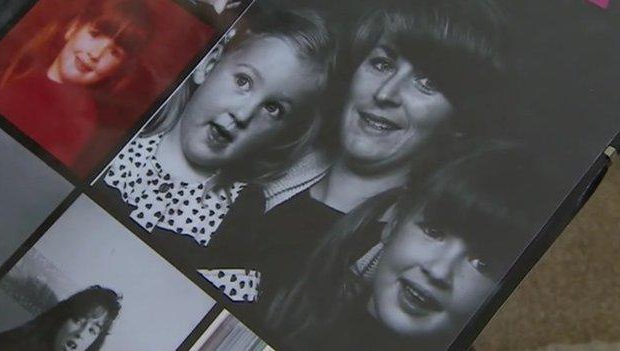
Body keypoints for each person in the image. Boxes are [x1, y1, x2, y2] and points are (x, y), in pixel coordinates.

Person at [244, 0, 509, 308]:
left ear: (459, 120)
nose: (385, 94)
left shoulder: (401, 264)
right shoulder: (259, 161)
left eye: (427, 83)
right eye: (382, 64)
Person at [98, 7, 336, 301]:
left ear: (280, 134)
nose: (243, 113)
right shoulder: (116, 136)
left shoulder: (240, 220)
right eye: (243, 81)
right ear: (209, 66)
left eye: (273, 108)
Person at [266, 145, 559, 350]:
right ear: (393, 223)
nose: (438, 271)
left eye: (482, 263)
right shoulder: (286, 315)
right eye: (433, 231)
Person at [0, 0, 153, 168]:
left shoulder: (78, 122)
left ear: (117, 70)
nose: (95, 54)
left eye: (115, 52)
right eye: (95, 34)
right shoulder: (14, 72)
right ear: (73, 28)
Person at [0, 285, 121, 351]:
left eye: (92, 330)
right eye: (78, 320)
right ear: (62, 317)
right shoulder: (10, 345)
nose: (81, 333)